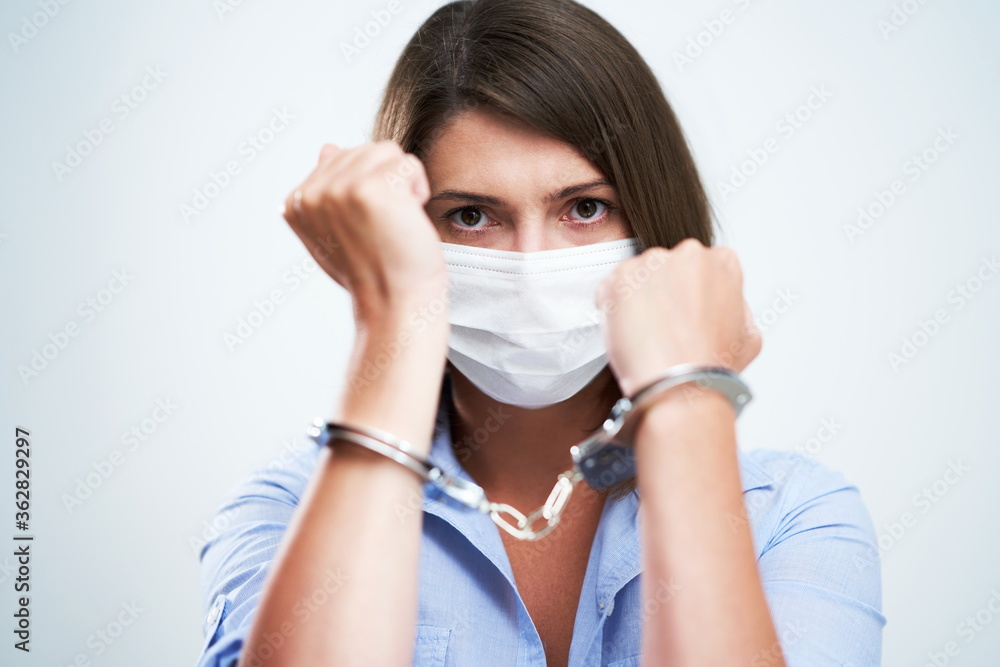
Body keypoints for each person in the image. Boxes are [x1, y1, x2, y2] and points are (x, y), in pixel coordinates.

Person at [195, 1, 885, 665]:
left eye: (585, 207)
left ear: (652, 218)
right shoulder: (286, 514)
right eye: (471, 216)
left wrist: (686, 400)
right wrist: (394, 317)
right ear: (411, 232)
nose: (532, 267)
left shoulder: (792, 517)